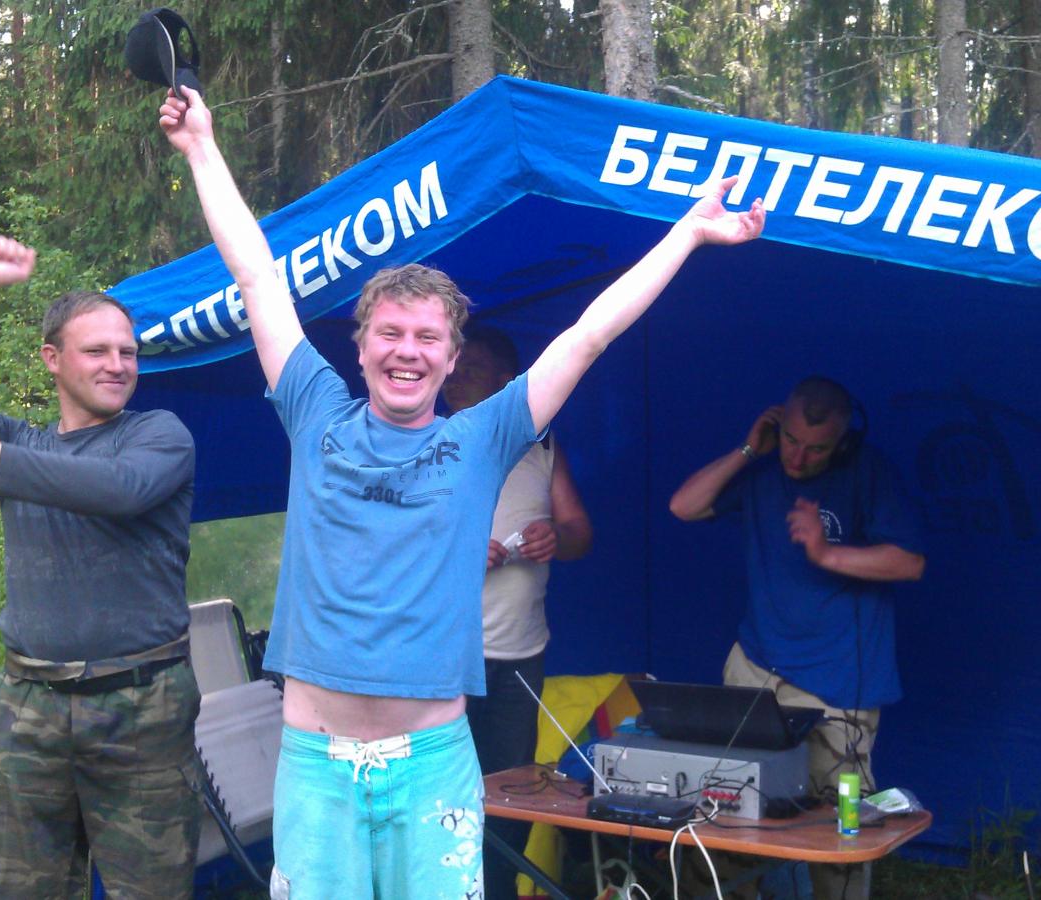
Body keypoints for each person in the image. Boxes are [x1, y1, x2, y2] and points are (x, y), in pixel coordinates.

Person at [157, 86, 763, 899]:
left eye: (427, 338)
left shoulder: (481, 438)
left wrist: (685, 232)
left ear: (450, 360)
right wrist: (201, 147)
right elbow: (257, 277)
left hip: (432, 765)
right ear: (360, 348)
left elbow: (588, 335)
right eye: (390, 333)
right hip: (314, 765)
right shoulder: (313, 408)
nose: (407, 351)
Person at [0, 236, 201, 900]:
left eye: (127, 352)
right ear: (52, 360)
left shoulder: (159, 435)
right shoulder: (20, 445)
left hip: (142, 705)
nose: (117, 365)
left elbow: (121, 489)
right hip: (28, 707)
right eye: (97, 351)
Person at [669, 377, 925, 900]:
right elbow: (683, 506)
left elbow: (909, 562)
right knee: (728, 803)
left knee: (840, 822)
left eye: (817, 448)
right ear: (776, 424)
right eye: (790, 439)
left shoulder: (868, 471)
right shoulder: (761, 471)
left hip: (839, 679)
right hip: (757, 664)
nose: (799, 457)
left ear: (844, 442)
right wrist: (748, 449)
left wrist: (827, 554)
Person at [443, 325, 594, 900]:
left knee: (510, 797)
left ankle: (498, 890)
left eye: (471, 368)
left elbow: (579, 532)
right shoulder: (429, 442)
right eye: (453, 367)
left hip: (520, 656)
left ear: (508, 383)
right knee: (444, 793)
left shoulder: (543, 447)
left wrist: (557, 535)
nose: (454, 378)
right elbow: (389, 548)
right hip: (447, 657)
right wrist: (457, 552)